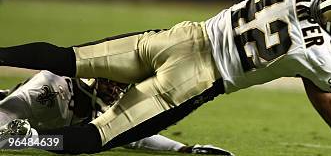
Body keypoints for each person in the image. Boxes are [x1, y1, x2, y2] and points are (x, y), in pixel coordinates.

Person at [0, 0, 331, 154]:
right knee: (99, 136)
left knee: (66, 57)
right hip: (197, 81)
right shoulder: (329, 59)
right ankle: (28, 141)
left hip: (181, 37)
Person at [0, 71, 232, 155]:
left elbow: (132, 135)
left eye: (121, 85)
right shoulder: (50, 88)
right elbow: (5, 120)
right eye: (112, 83)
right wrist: (19, 139)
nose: (117, 90)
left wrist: (183, 149)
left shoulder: (100, 103)